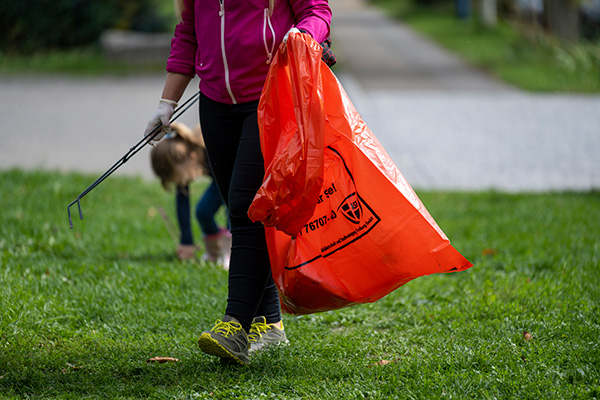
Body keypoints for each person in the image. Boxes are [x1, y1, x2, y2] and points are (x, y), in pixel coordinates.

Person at [143, 0, 332, 364]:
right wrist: (167, 102)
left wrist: (303, 36)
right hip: (215, 105)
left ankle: (236, 327)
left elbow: (318, 11)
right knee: (238, 210)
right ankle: (271, 324)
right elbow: (188, 33)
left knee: (247, 206)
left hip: (271, 95)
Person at [149, 122, 231, 268]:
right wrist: (186, 242)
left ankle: (232, 250)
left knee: (231, 208)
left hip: (232, 176)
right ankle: (215, 250)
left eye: (181, 179)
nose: (183, 183)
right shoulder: (186, 158)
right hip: (221, 180)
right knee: (203, 212)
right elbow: (182, 201)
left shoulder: (210, 152)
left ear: (192, 158)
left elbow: (231, 202)